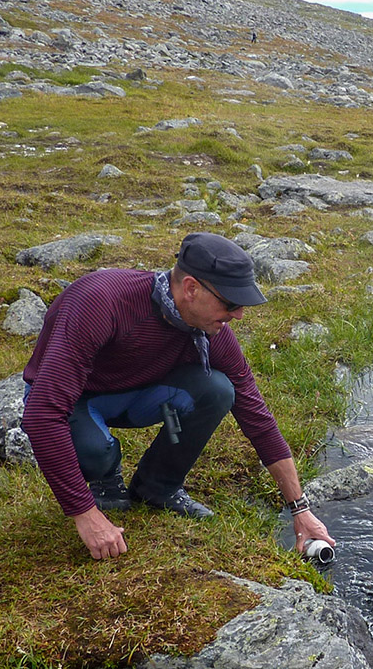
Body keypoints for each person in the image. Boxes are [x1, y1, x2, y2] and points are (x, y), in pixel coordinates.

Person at [22, 232, 334, 561]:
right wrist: (84, 514)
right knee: (94, 451)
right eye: (231, 303)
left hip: (135, 393)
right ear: (190, 288)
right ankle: (103, 474)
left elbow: (257, 417)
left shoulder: (211, 333)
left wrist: (300, 509)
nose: (239, 314)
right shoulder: (101, 303)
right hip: (78, 398)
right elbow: (43, 414)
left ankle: (157, 487)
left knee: (217, 389)